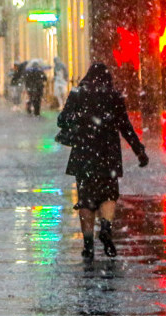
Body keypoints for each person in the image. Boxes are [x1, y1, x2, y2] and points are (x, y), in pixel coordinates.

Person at [57, 63, 149, 259]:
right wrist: (139, 151)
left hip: (84, 153)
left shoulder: (78, 93)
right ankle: (106, 227)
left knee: (86, 200)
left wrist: (79, 119)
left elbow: (62, 120)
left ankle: (88, 245)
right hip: (108, 153)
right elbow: (125, 127)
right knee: (108, 195)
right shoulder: (114, 96)